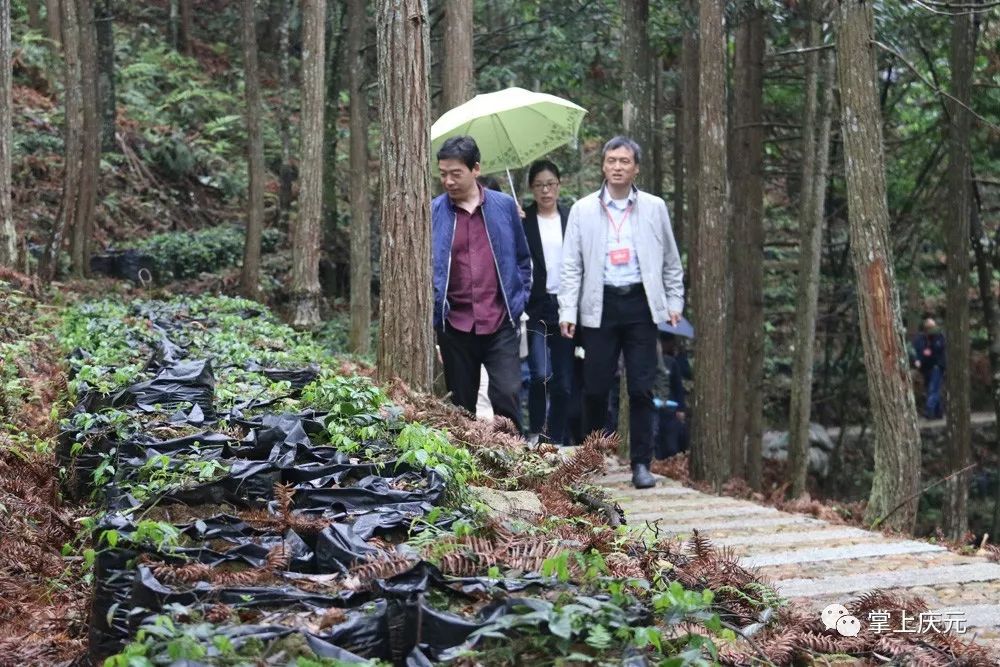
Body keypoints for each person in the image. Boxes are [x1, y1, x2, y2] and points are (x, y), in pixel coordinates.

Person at [558, 136, 684, 489]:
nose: (617, 167)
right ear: (603, 165)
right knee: (596, 388)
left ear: (636, 168)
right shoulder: (583, 210)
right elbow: (570, 265)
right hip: (599, 306)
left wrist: (674, 302)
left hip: (641, 306)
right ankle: (591, 458)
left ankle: (641, 463)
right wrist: (567, 310)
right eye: (611, 160)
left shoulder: (654, 207)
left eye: (624, 161)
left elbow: (672, 261)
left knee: (642, 388)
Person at [432, 136, 532, 431]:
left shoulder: (503, 207)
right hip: (455, 325)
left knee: (508, 395)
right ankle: (471, 470)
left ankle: (514, 464)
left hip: (499, 321)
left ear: (475, 169)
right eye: (442, 173)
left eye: (455, 173)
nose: (448, 181)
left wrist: (518, 298)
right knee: (461, 408)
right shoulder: (434, 212)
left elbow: (523, 260)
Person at [521, 160, 574, 445]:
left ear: (558, 185)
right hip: (535, 306)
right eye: (539, 185)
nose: (545, 190)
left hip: (565, 306)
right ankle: (537, 432)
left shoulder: (571, 218)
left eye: (550, 184)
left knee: (563, 383)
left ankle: (554, 437)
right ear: (531, 188)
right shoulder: (523, 220)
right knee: (540, 374)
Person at [653, 332, 690, 459]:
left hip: (670, 410)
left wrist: (681, 409)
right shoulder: (644, 363)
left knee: (671, 446)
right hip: (652, 410)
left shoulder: (671, 362)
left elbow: (678, 387)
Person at [912, 317, 946, 419]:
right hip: (925, 368)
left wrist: (928, 353)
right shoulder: (919, 339)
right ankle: (938, 412)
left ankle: (929, 410)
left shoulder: (939, 337)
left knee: (933, 388)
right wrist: (917, 360)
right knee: (931, 389)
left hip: (937, 366)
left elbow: (937, 350)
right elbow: (916, 351)